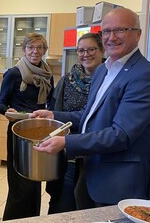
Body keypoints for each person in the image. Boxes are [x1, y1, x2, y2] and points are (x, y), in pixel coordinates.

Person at [30, 7, 150, 209]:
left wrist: (67, 142)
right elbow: (90, 116)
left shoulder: (142, 74)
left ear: (137, 34)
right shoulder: (104, 70)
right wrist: (53, 114)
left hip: (118, 182)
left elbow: (120, 134)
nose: (111, 37)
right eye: (106, 31)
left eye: (120, 30)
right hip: (89, 172)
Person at [0, 32, 54, 220]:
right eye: (30, 47)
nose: (35, 51)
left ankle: (31, 219)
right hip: (18, 132)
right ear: (24, 49)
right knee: (19, 184)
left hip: (38, 133)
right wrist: (9, 111)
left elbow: (47, 104)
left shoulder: (47, 75)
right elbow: (1, 104)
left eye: (39, 47)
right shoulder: (14, 73)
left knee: (34, 182)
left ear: (44, 50)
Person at [46, 32, 105, 214]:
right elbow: (56, 114)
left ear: (102, 51)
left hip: (96, 153)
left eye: (91, 49)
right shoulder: (67, 80)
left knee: (87, 207)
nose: (85, 54)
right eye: (81, 50)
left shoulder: (109, 80)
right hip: (68, 154)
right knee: (62, 203)